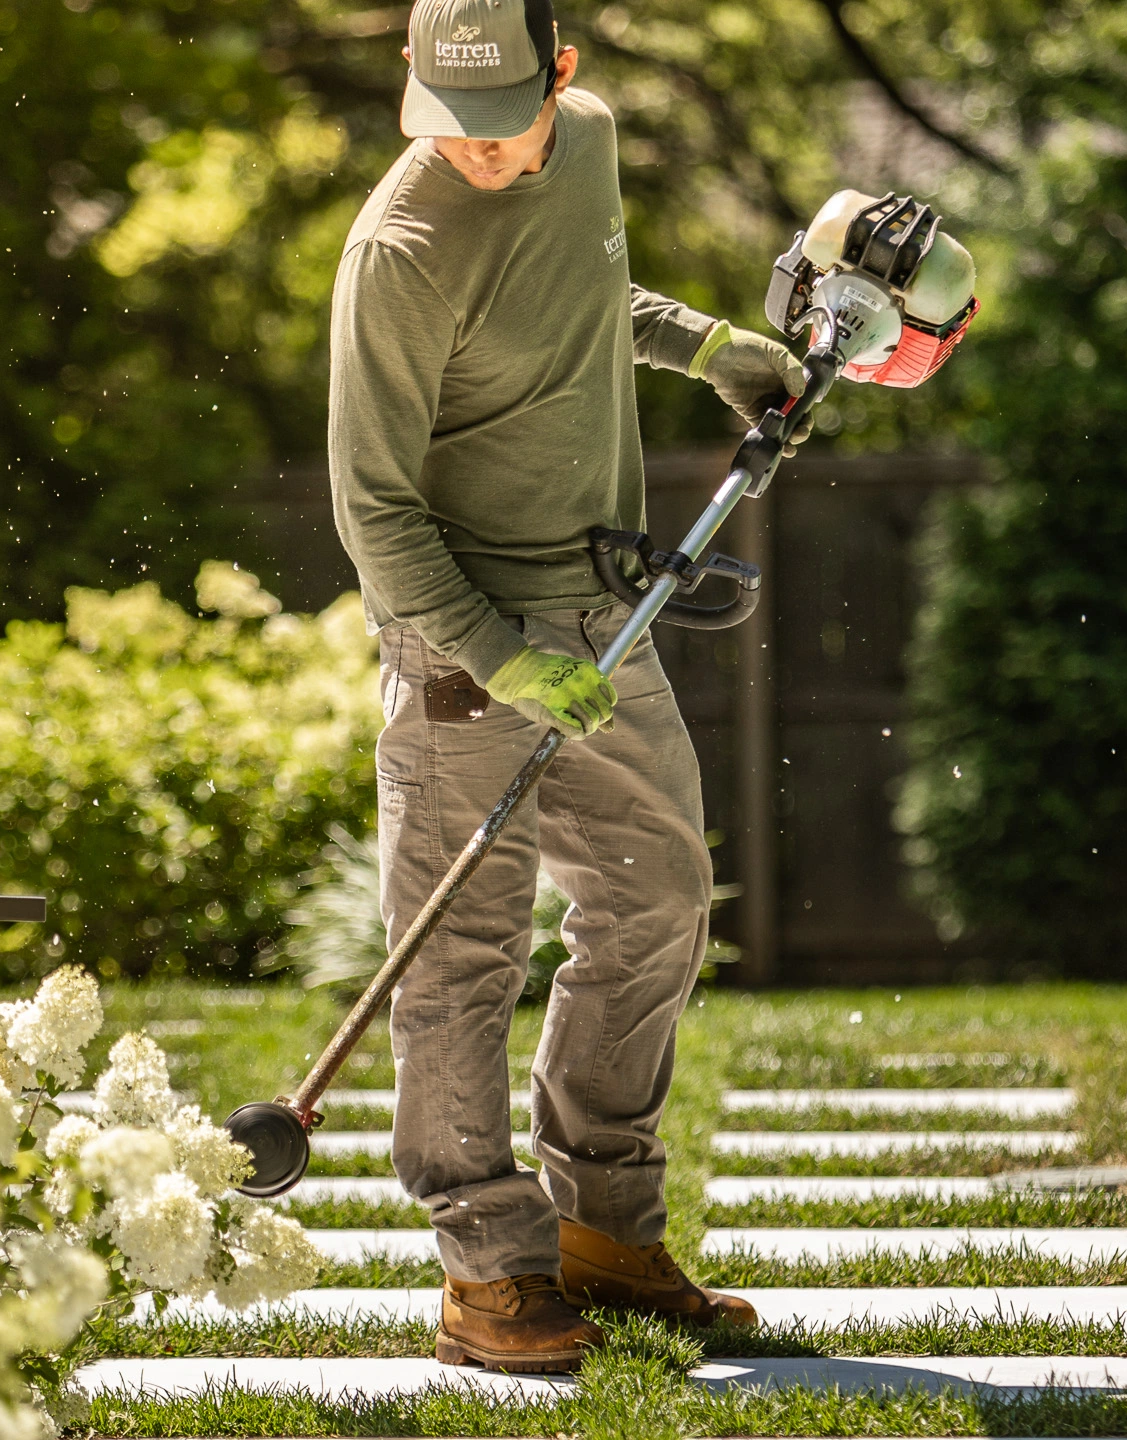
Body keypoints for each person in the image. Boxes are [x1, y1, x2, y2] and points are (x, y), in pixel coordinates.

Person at [327, 0, 809, 1375]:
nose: (477, 154)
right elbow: (372, 507)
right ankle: (488, 1271)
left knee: (656, 901)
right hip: (465, 640)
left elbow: (589, 294)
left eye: (503, 124)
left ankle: (604, 1225)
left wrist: (706, 344)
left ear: (565, 77)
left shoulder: (586, 147)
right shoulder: (399, 247)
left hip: (613, 609)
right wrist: (493, 653)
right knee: (463, 954)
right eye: (447, 126)